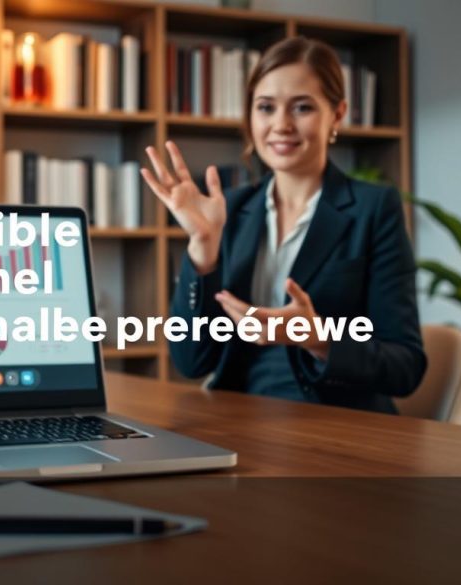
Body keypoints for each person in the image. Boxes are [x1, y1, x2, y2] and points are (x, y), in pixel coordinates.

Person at [141, 37, 426, 414]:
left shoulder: (374, 210)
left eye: (303, 107)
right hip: (236, 420)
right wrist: (202, 250)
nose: (281, 124)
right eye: (265, 108)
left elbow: (405, 367)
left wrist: (318, 337)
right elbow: (192, 362)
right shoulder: (229, 210)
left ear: (337, 115)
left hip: (335, 425)